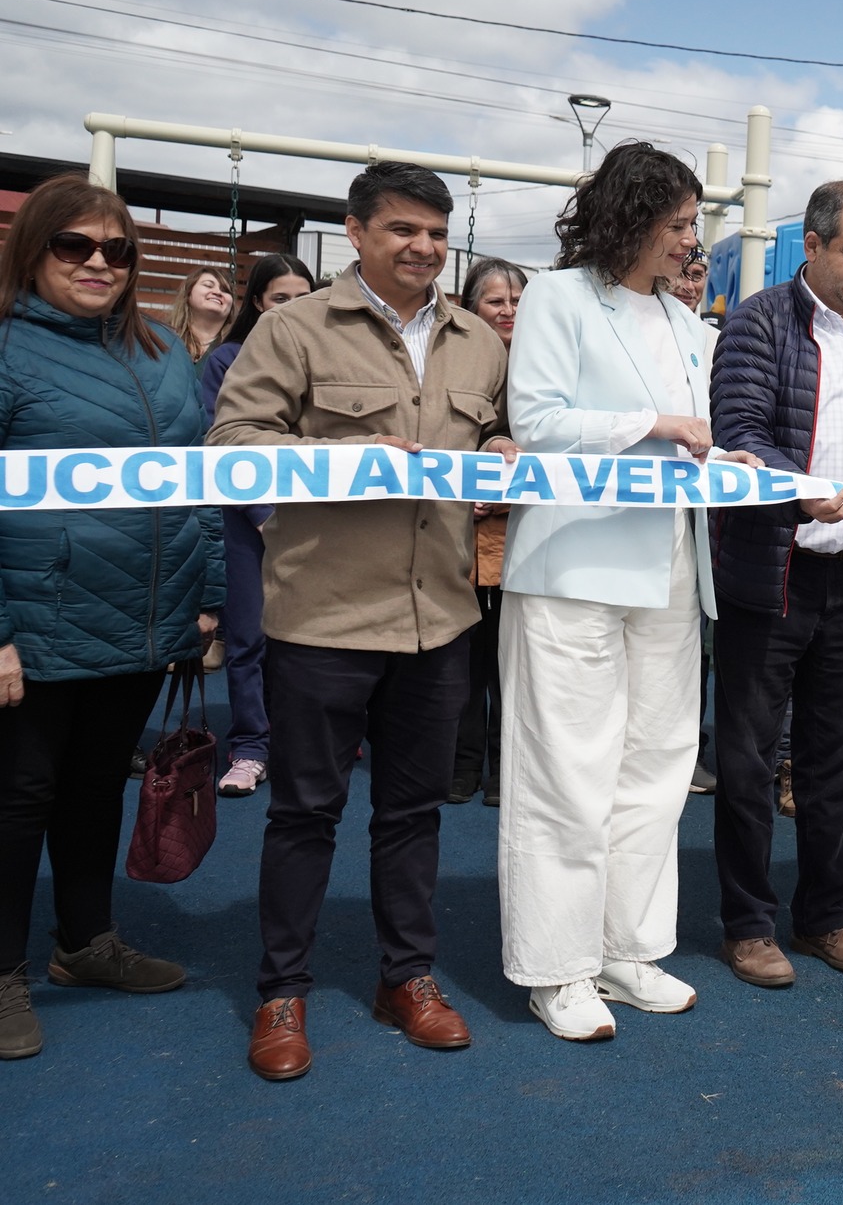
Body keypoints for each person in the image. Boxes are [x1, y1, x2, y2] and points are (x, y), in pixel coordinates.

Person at [211, 161, 514, 1079]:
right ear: (355, 231)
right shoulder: (294, 328)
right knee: (305, 815)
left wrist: (500, 444)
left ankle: (406, 979)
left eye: (436, 233)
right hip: (324, 618)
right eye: (402, 230)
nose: (423, 247)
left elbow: (494, 436)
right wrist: (337, 456)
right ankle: (281, 993)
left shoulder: (480, 343)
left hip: (441, 621)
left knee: (413, 815)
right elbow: (231, 447)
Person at [494, 146, 734, 1040]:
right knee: (567, 772)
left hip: (672, 565)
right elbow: (540, 423)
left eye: (691, 225)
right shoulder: (556, 297)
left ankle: (629, 949)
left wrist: (727, 458)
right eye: (676, 224)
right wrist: (655, 424)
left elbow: (701, 438)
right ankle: (557, 969)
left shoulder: (683, 320)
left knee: (657, 768)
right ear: (630, 218)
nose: (688, 241)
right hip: (573, 567)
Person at [0, 175, 223, 1062]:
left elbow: (198, 479)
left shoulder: (163, 350)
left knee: (96, 788)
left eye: (117, 250)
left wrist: (204, 594)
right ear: (34, 252)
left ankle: (84, 945)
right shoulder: (8, 349)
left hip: (144, 618)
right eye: (75, 247)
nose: (99, 263)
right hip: (35, 620)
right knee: (18, 801)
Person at [708, 179, 843, 990]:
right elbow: (742, 431)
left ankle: (827, 916)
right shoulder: (759, 319)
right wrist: (801, 488)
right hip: (776, 571)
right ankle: (748, 924)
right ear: (813, 245)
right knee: (750, 757)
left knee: (837, 763)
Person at [199, 252, 315, 798]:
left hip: (320, 524)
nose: (292, 309)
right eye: (280, 299)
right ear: (257, 304)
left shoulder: (328, 357)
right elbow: (219, 446)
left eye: (303, 297)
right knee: (248, 638)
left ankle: (306, 737)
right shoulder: (226, 359)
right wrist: (265, 516)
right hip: (250, 526)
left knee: (315, 640)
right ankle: (249, 746)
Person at [449, 257, 525, 806]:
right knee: (463, 663)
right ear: (470, 305)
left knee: (514, 665)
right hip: (459, 536)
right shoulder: (455, 360)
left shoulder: (544, 362)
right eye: (495, 300)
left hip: (521, 534)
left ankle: (505, 766)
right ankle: (462, 761)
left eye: (517, 299)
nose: (508, 310)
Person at [168, 265, 235, 363]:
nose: (217, 292)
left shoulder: (239, 350)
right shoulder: (164, 339)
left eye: (225, 290)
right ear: (188, 293)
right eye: (208, 285)